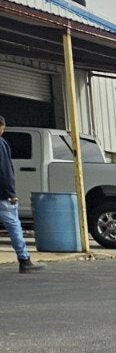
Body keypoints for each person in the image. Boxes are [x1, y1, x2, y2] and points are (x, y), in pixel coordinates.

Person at [0, 115, 44, 273]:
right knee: (13, 226)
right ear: (1, 127)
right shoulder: (1, 144)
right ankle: (24, 260)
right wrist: (11, 194)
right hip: (2, 197)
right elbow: (4, 171)